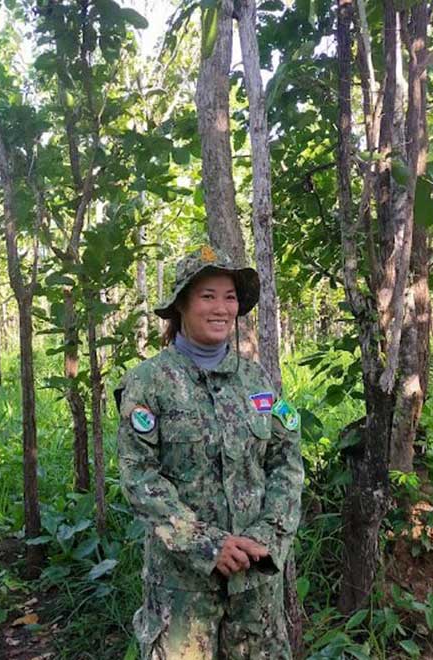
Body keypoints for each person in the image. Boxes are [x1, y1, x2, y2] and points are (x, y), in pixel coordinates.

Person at [115, 245, 304, 659]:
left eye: (230, 297)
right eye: (208, 296)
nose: (221, 308)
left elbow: (286, 461)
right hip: (183, 592)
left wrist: (264, 537)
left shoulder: (256, 380)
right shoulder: (149, 383)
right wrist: (208, 545)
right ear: (182, 304)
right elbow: (139, 478)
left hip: (255, 588)